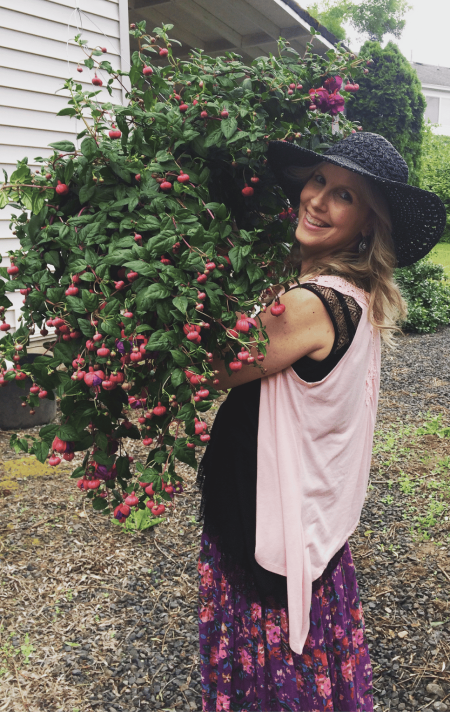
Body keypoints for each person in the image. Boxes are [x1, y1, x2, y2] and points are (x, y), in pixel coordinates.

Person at [196, 132, 446, 712]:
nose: (317, 200)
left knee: (268, 671)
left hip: (265, 516)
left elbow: (207, 370)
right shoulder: (352, 293)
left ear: (366, 225)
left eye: (344, 196)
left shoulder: (312, 304)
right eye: (318, 181)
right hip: (307, 516)